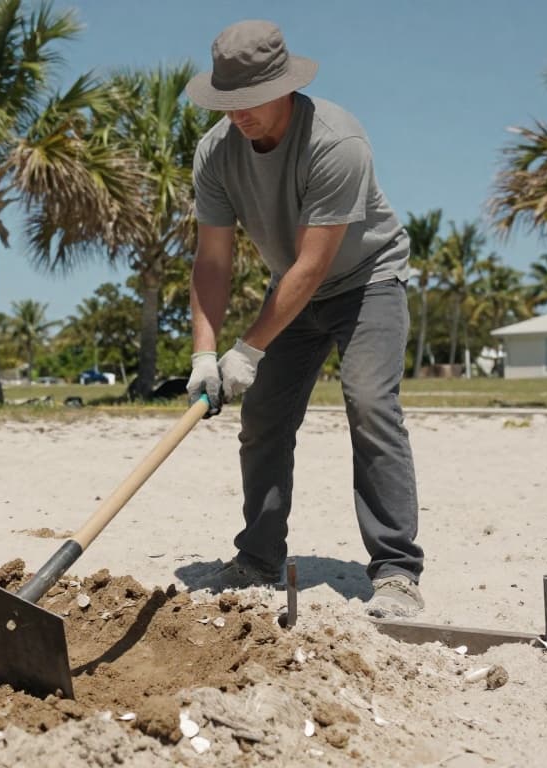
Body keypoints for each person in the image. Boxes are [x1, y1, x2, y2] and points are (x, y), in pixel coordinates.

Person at [184, 19, 424, 617]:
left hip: (367, 280)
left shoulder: (337, 142)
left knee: (369, 403)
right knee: (262, 416)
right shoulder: (216, 153)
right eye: (226, 102)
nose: (236, 114)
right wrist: (205, 353)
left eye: (247, 102)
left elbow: (315, 266)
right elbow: (212, 262)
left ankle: (396, 570)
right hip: (291, 289)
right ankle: (258, 558)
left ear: (284, 87)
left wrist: (249, 350)